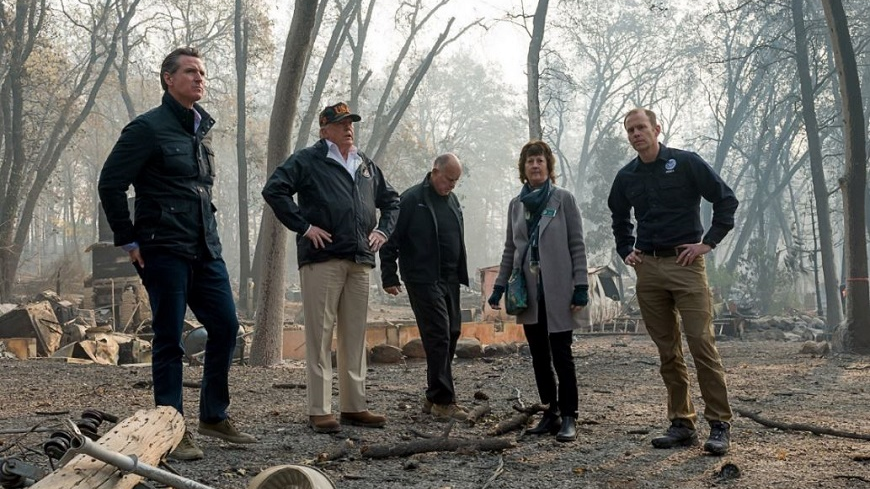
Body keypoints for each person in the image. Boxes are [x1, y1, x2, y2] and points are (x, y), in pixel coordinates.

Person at [97, 47, 256, 461]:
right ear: (168, 78)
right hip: (162, 249)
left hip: (205, 247)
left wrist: (213, 241)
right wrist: (128, 241)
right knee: (170, 339)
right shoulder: (147, 128)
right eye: (190, 72)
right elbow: (111, 184)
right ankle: (172, 427)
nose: (199, 78)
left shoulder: (200, 131)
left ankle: (213, 415)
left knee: (227, 326)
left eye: (202, 72)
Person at [607, 107, 739, 456]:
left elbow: (726, 199)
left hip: (686, 264)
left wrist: (707, 243)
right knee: (668, 350)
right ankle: (682, 422)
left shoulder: (685, 163)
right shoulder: (627, 176)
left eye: (642, 127)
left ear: (656, 129)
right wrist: (625, 250)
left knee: (700, 342)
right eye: (630, 129)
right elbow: (619, 216)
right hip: (648, 268)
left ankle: (719, 424)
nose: (636, 134)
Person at [262, 102, 400, 434]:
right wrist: (303, 226)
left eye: (351, 122)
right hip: (322, 259)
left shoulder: (365, 164)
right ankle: (319, 410)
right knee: (320, 335)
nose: (348, 128)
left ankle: (354, 407)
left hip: (360, 260)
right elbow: (275, 190)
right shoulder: (308, 160)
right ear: (325, 130)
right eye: (340, 124)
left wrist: (382, 231)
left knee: (354, 337)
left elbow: (392, 200)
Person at [488, 140, 588, 443]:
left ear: (548, 166)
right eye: (530, 161)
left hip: (559, 290)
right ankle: (551, 412)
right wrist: (499, 286)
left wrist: (581, 285)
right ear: (523, 168)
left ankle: (570, 415)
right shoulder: (516, 205)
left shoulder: (563, 199)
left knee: (562, 355)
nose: (535, 166)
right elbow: (510, 249)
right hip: (529, 295)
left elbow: (577, 245)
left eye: (540, 161)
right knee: (539, 357)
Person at [380, 153, 470, 421]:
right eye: (449, 179)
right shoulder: (411, 199)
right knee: (438, 334)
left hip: (450, 278)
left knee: (452, 332)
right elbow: (391, 239)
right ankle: (444, 400)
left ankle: (433, 395)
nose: (452, 185)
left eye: (456, 181)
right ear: (435, 172)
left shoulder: (452, 200)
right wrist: (389, 275)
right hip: (422, 278)